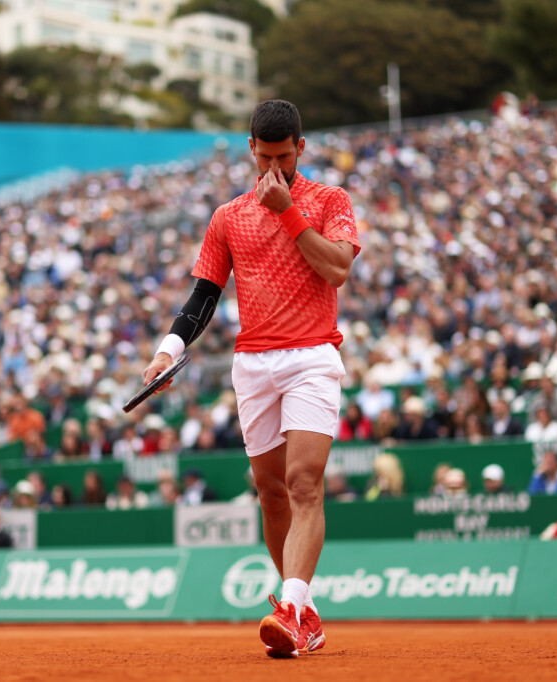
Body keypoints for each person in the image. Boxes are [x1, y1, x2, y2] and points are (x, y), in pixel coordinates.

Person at [141, 100, 358, 657]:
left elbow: (336, 267)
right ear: (251, 150)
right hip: (253, 364)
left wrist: (289, 211)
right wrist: (168, 351)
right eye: (265, 158)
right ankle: (302, 611)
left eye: (284, 158)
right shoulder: (227, 216)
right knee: (272, 492)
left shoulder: (330, 200)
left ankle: (290, 607)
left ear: (300, 149)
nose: (275, 170)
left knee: (306, 482)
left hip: (312, 355)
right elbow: (203, 294)